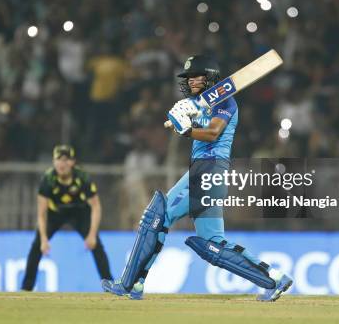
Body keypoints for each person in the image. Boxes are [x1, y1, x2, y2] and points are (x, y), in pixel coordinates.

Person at [102, 55, 293, 301]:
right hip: (208, 173)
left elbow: (213, 133)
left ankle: (131, 284)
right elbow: (194, 122)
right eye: (188, 77)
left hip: (209, 169)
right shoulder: (198, 104)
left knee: (158, 214)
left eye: (196, 76)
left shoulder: (227, 102)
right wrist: (181, 117)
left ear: (210, 76)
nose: (191, 81)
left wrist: (185, 129)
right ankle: (274, 279)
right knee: (213, 244)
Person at [21, 144, 113, 291]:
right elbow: (41, 212)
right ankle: (26, 288)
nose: (62, 164)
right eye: (59, 159)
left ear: (73, 162)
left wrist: (91, 235)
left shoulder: (82, 178)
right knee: (36, 246)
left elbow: (96, 207)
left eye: (66, 160)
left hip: (79, 212)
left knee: (97, 246)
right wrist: (44, 239)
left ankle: (110, 286)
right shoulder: (48, 179)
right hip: (55, 213)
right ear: (53, 162)